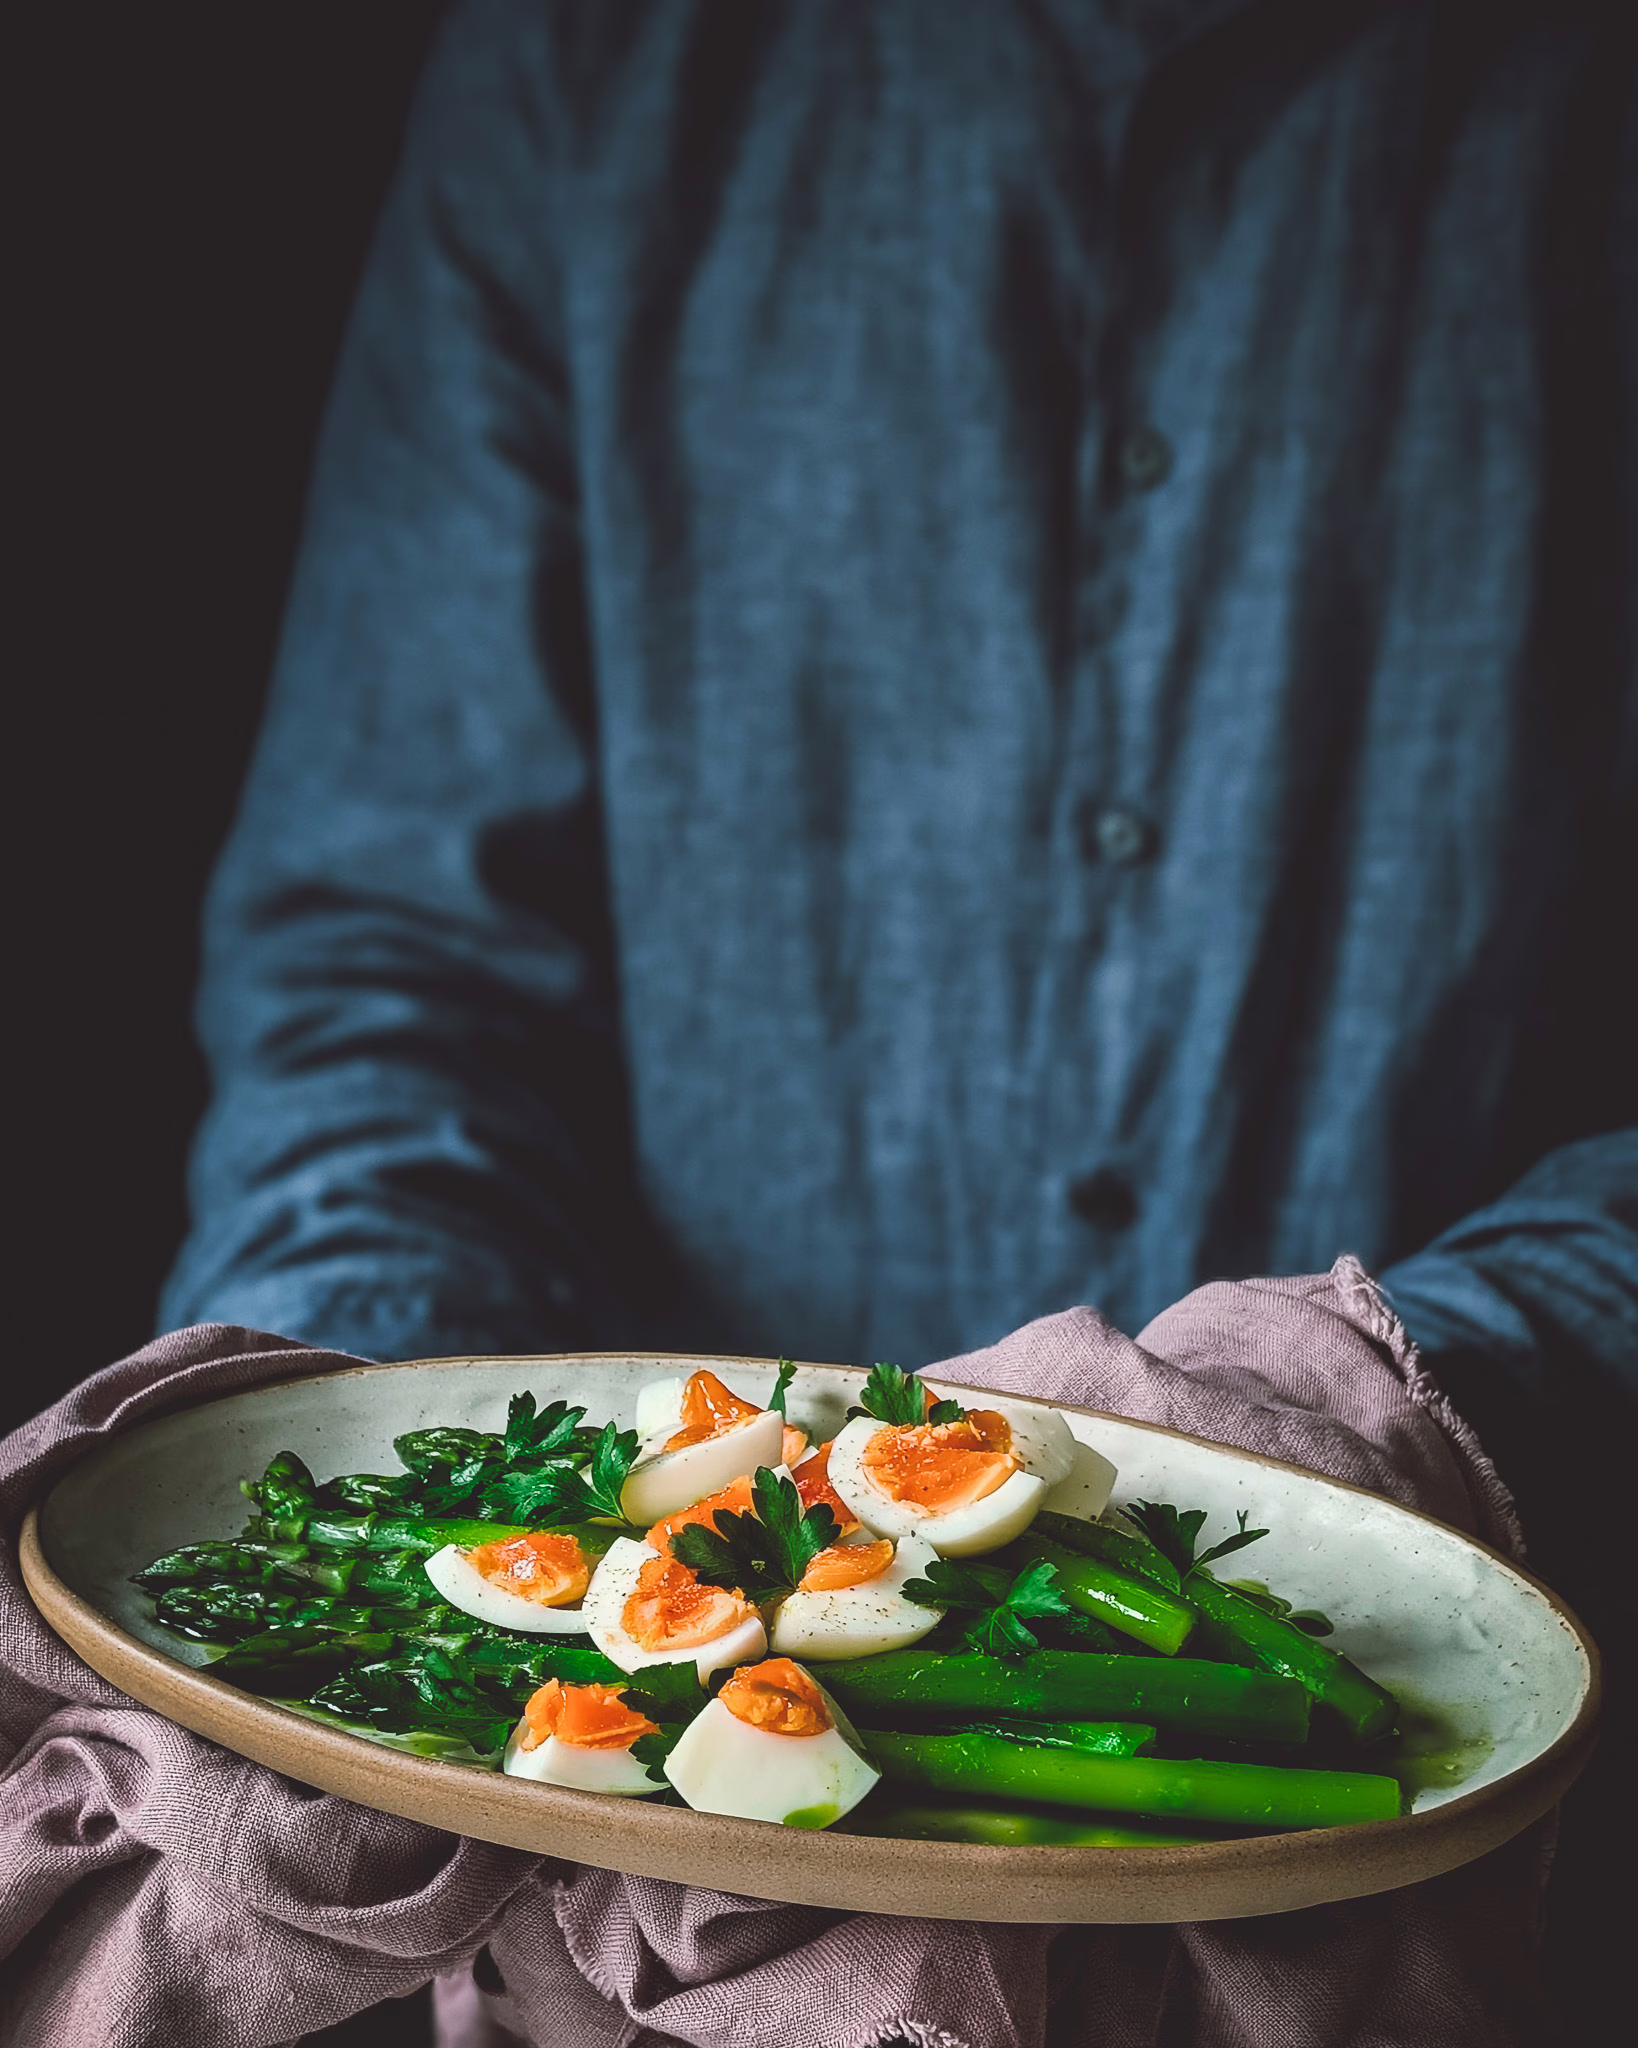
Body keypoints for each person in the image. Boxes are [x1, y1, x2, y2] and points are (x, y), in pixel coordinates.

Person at [160, 0, 1634, 2037]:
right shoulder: (579, 70)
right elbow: (392, 965)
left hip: (1484, 1841)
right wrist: (425, 1552)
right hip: (605, 1923)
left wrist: (1345, 1411)